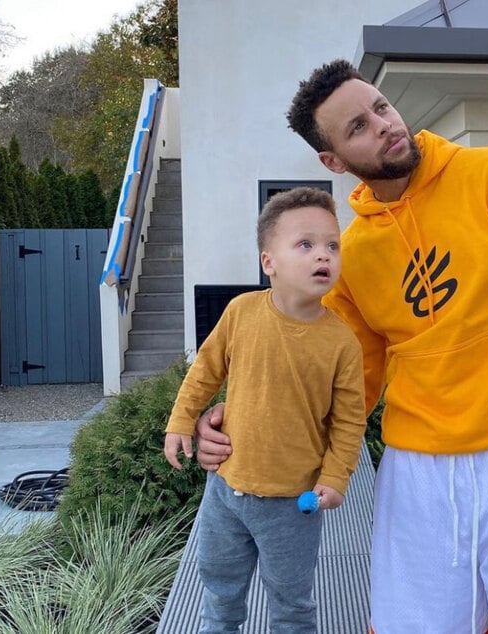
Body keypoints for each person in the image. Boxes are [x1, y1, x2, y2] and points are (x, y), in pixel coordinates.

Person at [195, 60, 488, 633]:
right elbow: (348, 385)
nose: (383, 125)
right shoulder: (353, 259)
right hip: (417, 477)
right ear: (333, 162)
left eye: (380, 106)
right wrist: (244, 422)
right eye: (357, 128)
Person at [163, 186, 366, 634]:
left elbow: (350, 421)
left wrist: (335, 476)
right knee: (219, 593)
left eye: (333, 245)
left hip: (293, 505)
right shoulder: (240, 313)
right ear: (268, 262)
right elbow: (204, 372)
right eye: (306, 244)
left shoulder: (342, 343)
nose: (323, 256)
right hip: (226, 493)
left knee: (291, 604)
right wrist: (181, 420)